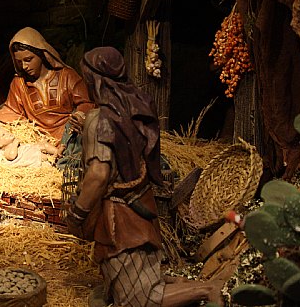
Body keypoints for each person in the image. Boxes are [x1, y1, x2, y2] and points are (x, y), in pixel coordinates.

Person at [66, 47, 225, 307]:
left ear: (96, 80)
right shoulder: (136, 110)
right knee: (128, 283)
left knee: (140, 301)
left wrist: (77, 213)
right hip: (141, 207)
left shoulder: (99, 120)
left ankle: (207, 290)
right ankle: (179, 284)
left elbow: (98, 174)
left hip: (121, 222)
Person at [0, 27, 94, 164]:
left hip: (67, 136)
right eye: (19, 62)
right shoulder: (19, 83)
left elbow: (87, 102)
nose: (24, 66)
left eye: (28, 59)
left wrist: (80, 115)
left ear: (42, 54)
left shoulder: (66, 76)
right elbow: (12, 109)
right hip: (38, 140)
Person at [0, 125, 64, 166]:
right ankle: (54, 158)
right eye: (3, 135)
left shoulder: (17, 144)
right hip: (32, 155)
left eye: (7, 132)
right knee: (43, 157)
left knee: (44, 145)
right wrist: (15, 144)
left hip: (30, 149)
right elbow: (12, 156)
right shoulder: (7, 150)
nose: (8, 133)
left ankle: (57, 152)